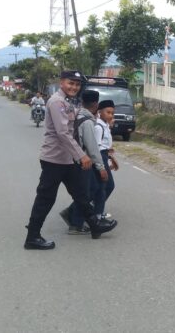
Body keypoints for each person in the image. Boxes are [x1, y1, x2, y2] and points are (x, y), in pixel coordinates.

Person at [23, 70, 111, 250]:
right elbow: (63, 133)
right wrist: (82, 155)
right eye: (71, 83)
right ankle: (32, 236)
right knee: (45, 198)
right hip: (54, 159)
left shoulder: (70, 102)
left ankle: (94, 224)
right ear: (62, 82)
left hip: (68, 160)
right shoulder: (56, 102)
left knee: (81, 194)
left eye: (77, 84)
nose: (74, 87)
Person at [60, 89, 117, 238]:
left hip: (75, 159)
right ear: (96, 105)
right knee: (91, 190)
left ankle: (81, 217)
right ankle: (78, 223)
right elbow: (93, 148)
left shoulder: (78, 115)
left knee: (92, 189)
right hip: (85, 160)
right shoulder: (88, 122)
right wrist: (101, 167)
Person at [93, 99, 118, 220]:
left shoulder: (106, 125)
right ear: (99, 112)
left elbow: (106, 145)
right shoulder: (98, 127)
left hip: (104, 156)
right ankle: (97, 213)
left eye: (112, 113)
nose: (110, 115)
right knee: (105, 186)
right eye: (108, 112)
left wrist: (111, 158)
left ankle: (96, 209)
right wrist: (101, 166)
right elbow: (96, 148)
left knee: (104, 186)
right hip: (100, 157)